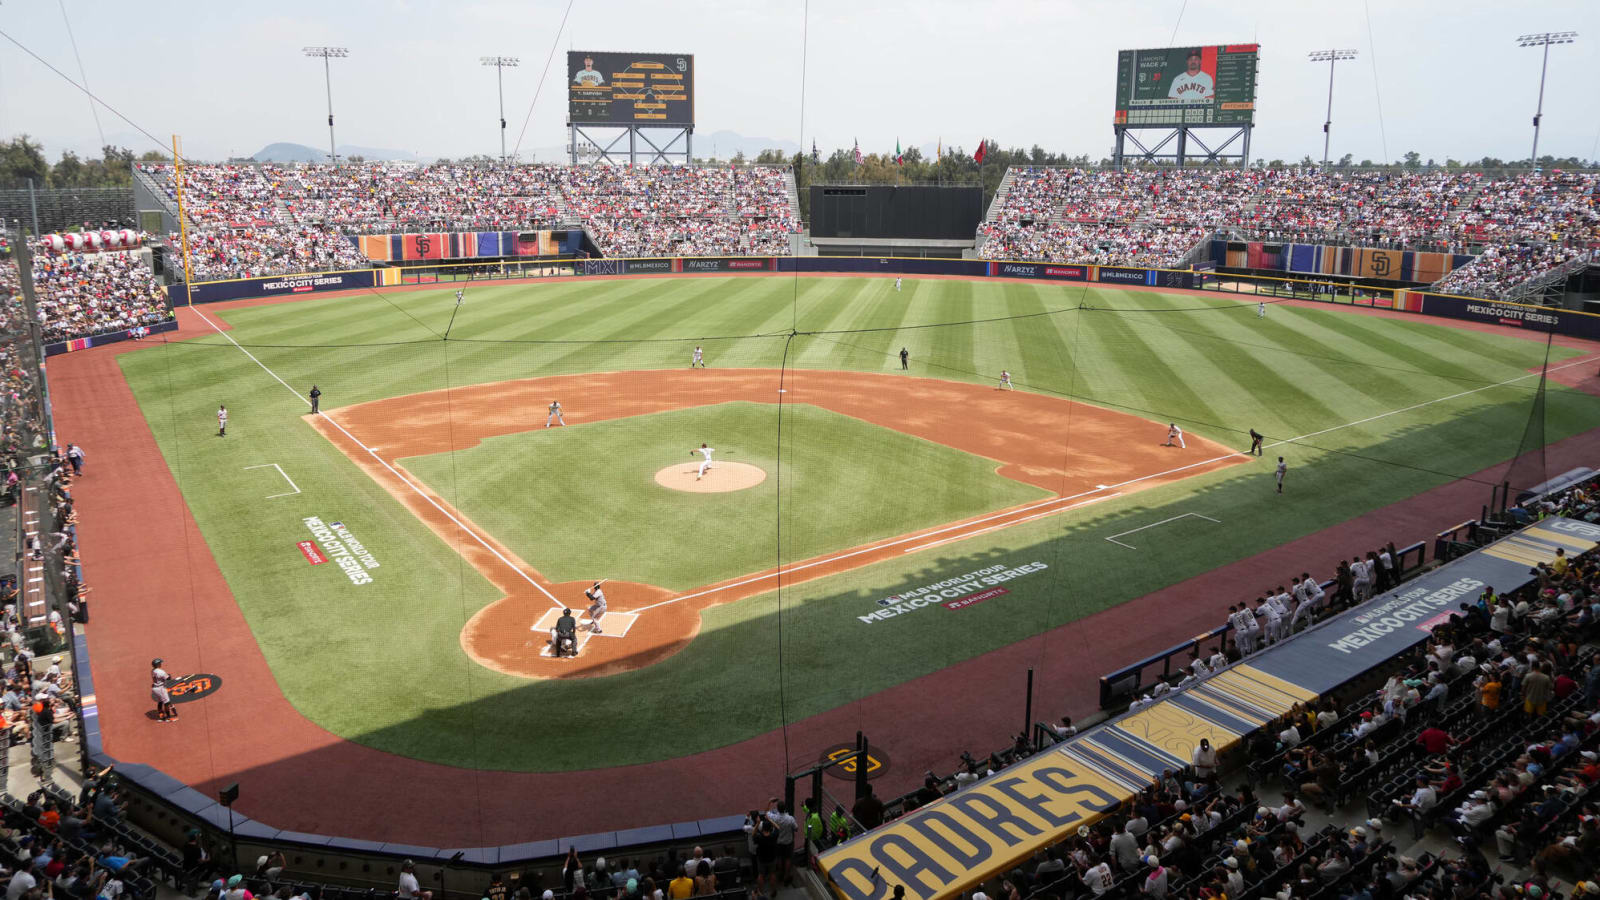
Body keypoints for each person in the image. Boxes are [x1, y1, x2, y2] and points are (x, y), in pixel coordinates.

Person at [151, 658, 175, 722]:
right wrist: (169, 675)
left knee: (160, 701)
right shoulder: (161, 672)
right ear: (158, 664)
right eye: (160, 663)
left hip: (155, 688)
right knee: (166, 703)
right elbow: (168, 678)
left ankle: (161, 715)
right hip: (160, 689)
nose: (161, 664)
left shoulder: (153, 670)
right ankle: (168, 718)